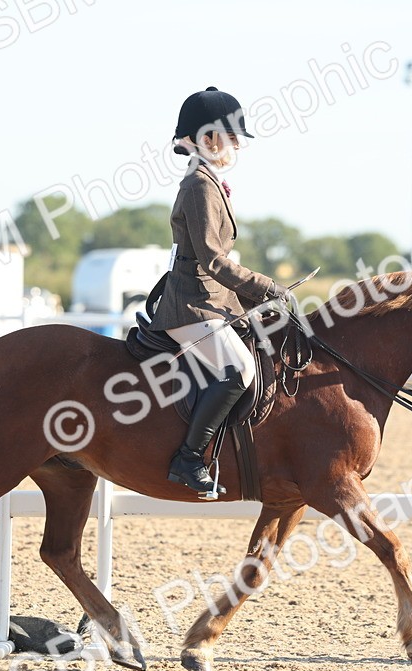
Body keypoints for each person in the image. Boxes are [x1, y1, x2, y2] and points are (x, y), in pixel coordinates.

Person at [149, 87, 291, 498]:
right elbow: (212, 259)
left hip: (211, 300)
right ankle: (189, 458)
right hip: (191, 305)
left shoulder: (208, 181)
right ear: (208, 137)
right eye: (231, 138)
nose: (236, 147)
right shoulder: (198, 185)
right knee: (239, 371)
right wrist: (266, 286)